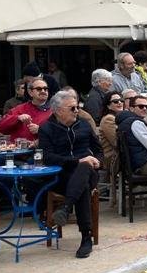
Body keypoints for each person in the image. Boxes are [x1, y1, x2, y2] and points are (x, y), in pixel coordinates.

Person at [38, 91, 102, 259]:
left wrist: (97, 161)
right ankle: (85, 237)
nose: (77, 111)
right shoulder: (46, 128)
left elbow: (98, 150)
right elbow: (48, 157)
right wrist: (77, 161)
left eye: (78, 107)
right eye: (72, 108)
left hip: (89, 172)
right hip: (61, 176)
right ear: (58, 110)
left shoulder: (84, 125)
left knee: (85, 169)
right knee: (83, 183)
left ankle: (66, 209)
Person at [0, 78, 52, 144]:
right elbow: (1, 128)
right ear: (30, 92)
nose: (43, 91)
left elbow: (61, 134)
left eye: (45, 89)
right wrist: (17, 118)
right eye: (39, 89)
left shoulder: (54, 111)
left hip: (42, 152)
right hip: (19, 152)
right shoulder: (19, 109)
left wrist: (41, 130)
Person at [97, 90, 124, 205]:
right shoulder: (109, 119)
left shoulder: (119, 117)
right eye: (115, 101)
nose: (119, 103)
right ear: (108, 105)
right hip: (112, 158)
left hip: (119, 154)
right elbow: (116, 142)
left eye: (121, 100)